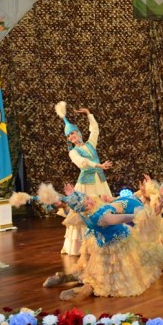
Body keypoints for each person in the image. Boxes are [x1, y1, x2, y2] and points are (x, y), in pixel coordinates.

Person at [44, 184, 163, 300]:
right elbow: (129, 217)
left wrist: (72, 195)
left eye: (88, 198)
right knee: (107, 282)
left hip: (103, 245)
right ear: (82, 208)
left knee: (92, 274)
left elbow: (75, 204)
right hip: (118, 246)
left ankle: (63, 278)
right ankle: (80, 291)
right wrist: (151, 213)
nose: (91, 202)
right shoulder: (102, 217)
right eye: (86, 204)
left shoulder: (82, 213)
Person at [55, 102, 113, 256]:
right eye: (69, 136)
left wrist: (89, 114)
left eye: (73, 133)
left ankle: (106, 242)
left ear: (78, 133)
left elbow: (95, 130)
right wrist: (99, 165)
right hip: (86, 184)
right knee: (85, 212)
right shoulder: (73, 152)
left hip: (99, 182)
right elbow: (83, 163)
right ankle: (85, 246)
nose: (71, 137)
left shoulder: (90, 145)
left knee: (103, 208)